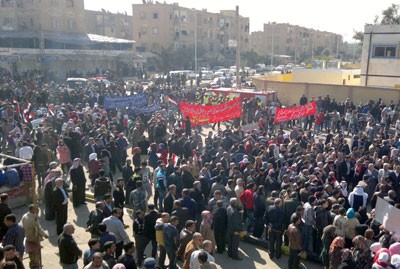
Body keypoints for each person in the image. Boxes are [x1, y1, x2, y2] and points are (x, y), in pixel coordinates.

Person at [20, 205, 49, 269]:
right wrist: (45, 235)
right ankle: (36, 266)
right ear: (33, 210)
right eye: (36, 209)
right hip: (34, 238)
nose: (38, 210)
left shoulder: (24, 216)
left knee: (31, 254)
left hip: (28, 237)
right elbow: (38, 228)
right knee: (36, 255)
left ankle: (33, 264)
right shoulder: (33, 219)